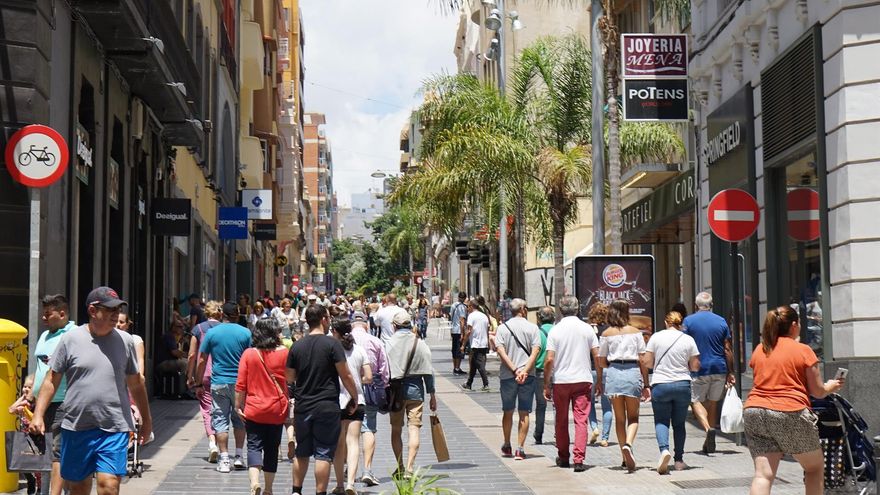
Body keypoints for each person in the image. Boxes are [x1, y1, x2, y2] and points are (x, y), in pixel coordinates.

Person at [30, 286, 152, 495]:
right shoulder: (71, 339)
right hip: (77, 426)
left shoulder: (125, 341)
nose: (116, 315)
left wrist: (147, 421)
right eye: (110, 309)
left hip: (114, 425)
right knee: (78, 487)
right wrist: (38, 415)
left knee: (109, 485)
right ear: (93, 311)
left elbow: (135, 383)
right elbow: (52, 380)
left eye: (118, 310)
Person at [744, 306, 844, 495]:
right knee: (814, 468)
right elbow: (818, 391)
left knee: (763, 475)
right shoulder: (803, 350)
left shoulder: (761, 349)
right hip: (790, 411)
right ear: (794, 325)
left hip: (754, 411)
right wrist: (832, 385)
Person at [286, 304, 359, 495]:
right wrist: (355, 396)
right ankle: (320, 492)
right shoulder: (332, 344)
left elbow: (290, 378)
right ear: (323, 320)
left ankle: (296, 491)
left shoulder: (297, 345)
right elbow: (346, 375)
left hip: (303, 404)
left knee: (302, 451)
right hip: (327, 405)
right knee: (323, 453)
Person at [543, 296, 599, 472]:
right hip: (583, 379)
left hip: (561, 381)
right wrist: (600, 379)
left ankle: (564, 457)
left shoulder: (555, 330)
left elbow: (549, 359)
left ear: (560, 309)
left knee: (560, 420)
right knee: (581, 420)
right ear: (578, 309)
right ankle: (579, 459)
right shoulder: (587, 329)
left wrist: (546, 383)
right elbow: (597, 355)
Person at [235, 318, 290, 495]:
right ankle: (268, 489)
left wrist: (238, 406)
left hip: (254, 409)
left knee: (253, 446)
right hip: (277, 409)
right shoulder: (284, 353)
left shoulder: (249, 354)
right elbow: (291, 379)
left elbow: (241, 385)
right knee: (272, 448)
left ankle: (255, 483)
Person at [197, 302, 252, 473]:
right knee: (240, 420)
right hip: (240, 384)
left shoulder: (212, 333)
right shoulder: (246, 333)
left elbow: (202, 359)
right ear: (237, 314)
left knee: (220, 420)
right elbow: (250, 357)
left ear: (222, 315)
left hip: (219, 381)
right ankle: (239, 456)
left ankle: (224, 459)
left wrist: (198, 381)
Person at [642, 311, 701, 474]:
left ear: (666, 322)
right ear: (680, 323)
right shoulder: (688, 339)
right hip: (682, 384)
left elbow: (647, 362)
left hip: (661, 384)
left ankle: (664, 451)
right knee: (679, 424)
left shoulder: (656, 337)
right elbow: (695, 366)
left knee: (661, 421)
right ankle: (679, 460)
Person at [596, 299, 649, 472]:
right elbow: (643, 360)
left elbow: (602, 361)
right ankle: (628, 444)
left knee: (619, 419)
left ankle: (624, 457)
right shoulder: (635, 332)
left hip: (614, 372)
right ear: (627, 312)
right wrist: (646, 383)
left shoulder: (606, 334)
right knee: (633, 417)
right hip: (632, 371)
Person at [31, 294, 76, 495]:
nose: (43, 318)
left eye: (48, 314)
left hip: (63, 402)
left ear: (62, 313)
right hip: (42, 404)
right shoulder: (45, 335)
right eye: (43, 314)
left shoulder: (74, 335)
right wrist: (30, 394)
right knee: (45, 453)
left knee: (58, 453)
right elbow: (40, 369)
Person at [386, 311, 437, 479]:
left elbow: (383, 370)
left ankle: (400, 466)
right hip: (416, 391)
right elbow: (428, 373)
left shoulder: (388, 343)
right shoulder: (420, 344)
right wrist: (432, 394)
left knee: (395, 430)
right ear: (410, 325)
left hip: (395, 393)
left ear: (394, 326)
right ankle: (409, 468)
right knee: (414, 429)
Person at [683, 291, 734, 454]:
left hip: (698, 368)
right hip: (719, 367)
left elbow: (684, 346)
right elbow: (727, 349)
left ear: (696, 305)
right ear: (711, 305)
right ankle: (710, 436)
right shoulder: (721, 322)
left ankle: (707, 429)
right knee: (713, 402)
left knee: (695, 401)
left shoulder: (688, 321)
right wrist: (730, 371)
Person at [494, 298, 541, 460]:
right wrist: (524, 371)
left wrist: (515, 370)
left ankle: (507, 444)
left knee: (507, 411)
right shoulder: (533, 328)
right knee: (524, 412)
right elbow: (535, 352)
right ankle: (520, 449)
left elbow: (500, 351)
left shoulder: (502, 328)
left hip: (508, 376)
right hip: (528, 376)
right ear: (523, 309)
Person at [330, 317, 372, 495]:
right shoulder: (360, 350)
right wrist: (356, 384)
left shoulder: (331, 351)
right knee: (353, 442)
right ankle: (351, 483)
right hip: (357, 400)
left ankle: (339, 484)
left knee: (338, 445)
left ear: (336, 332)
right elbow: (369, 377)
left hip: (335, 400)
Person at [350, 311, 389, 487]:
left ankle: (348, 470)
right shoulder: (376, 341)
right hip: (370, 387)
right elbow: (384, 370)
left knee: (347, 429)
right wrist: (384, 388)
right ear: (366, 325)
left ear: (352, 325)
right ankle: (367, 469)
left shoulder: (343, 341)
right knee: (368, 427)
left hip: (346, 388)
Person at [186, 300, 222, 463]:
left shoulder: (198, 329)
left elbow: (192, 355)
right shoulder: (224, 329)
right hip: (222, 374)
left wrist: (190, 376)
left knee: (207, 410)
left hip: (204, 375)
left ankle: (212, 443)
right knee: (221, 411)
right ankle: (225, 449)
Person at [586, 302, 613, 447]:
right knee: (607, 405)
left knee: (589, 402)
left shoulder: (587, 330)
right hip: (607, 369)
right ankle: (605, 438)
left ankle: (594, 428)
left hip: (590, 369)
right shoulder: (609, 330)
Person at [9, 374, 38, 494]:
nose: (26, 389)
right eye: (25, 386)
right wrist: (23, 397)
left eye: (29, 387)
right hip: (24, 437)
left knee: (38, 466)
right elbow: (11, 409)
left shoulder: (38, 403)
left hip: (37, 437)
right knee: (22, 463)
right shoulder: (23, 403)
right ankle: (31, 480)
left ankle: (40, 489)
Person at [532, 306, 554, 445]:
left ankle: (538, 434)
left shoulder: (537, 333)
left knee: (541, 405)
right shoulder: (558, 331)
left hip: (540, 373)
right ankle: (559, 434)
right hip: (558, 373)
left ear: (539, 318)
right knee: (558, 406)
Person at [461, 300, 490, 391]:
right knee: (473, 365)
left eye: (468, 306)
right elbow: (487, 329)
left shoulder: (471, 316)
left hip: (476, 344)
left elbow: (469, 331)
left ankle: (486, 384)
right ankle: (469, 384)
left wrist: (463, 344)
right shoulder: (484, 316)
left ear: (471, 306)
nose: (467, 308)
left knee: (480, 365)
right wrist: (488, 342)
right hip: (483, 343)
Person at [157, 316, 189, 394]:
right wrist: (187, 355)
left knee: (187, 362)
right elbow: (175, 352)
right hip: (163, 363)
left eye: (182, 327)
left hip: (169, 361)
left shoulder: (175, 337)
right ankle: (184, 390)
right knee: (186, 363)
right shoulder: (169, 336)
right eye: (179, 327)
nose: (182, 329)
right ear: (173, 327)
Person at [449, 292, 468, 375]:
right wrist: (462, 333)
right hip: (459, 331)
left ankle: (455, 367)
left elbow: (451, 316)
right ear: (464, 298)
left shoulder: (453, 305)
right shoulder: (462, 307)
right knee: (459, 350)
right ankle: (457, 368)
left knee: (454, 349)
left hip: (453, 329)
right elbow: (462, 320)